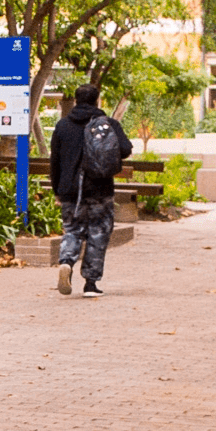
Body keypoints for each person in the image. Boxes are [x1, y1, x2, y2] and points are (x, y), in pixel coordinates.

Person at [50, 80, 133, 299]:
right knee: (98, 232)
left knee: (72, 230)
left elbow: (55, 161)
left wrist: (57, 190)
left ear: (76, 101)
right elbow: (125, 149)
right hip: (100, 189)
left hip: (69, 190)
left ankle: (66, 262)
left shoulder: (63, 126)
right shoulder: (108, 124)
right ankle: (90, 283)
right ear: (97, 100)